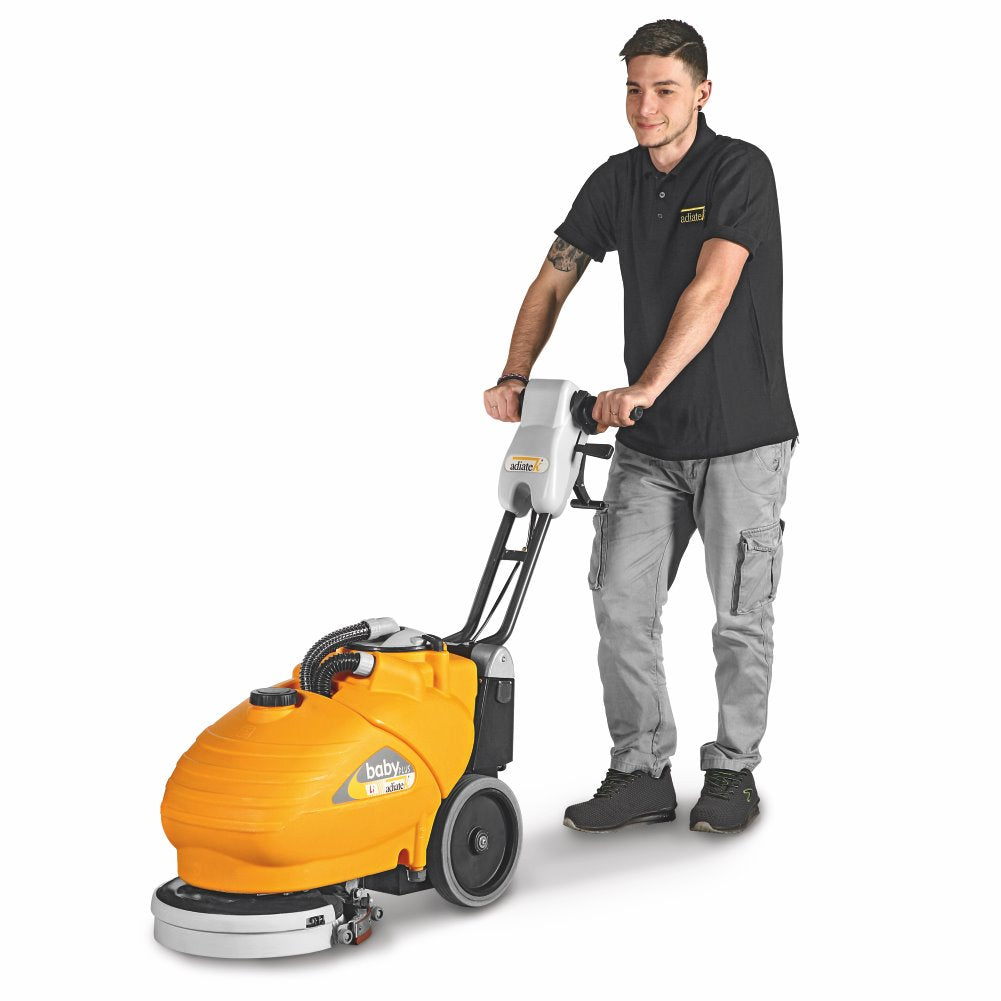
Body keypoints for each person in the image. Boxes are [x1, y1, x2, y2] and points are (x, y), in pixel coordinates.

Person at [483, 19, 798, 835]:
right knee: (619, 606)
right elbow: (552, 279)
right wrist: (515, 374)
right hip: (650, 451)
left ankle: (731, 773)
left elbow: (713, 286)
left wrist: (646, 384)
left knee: (738, 616)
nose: (644, 106)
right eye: (633, 89)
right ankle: (641, 769)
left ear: (700, 91)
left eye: (663, 90)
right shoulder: (615, 182)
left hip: (742, 438)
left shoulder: (738, 169)